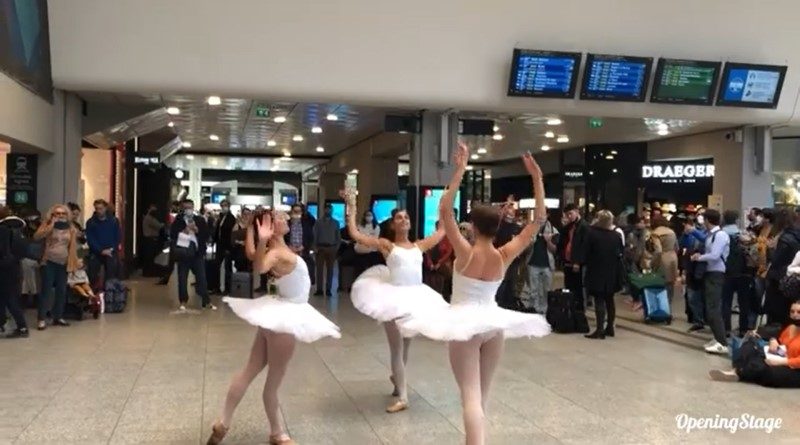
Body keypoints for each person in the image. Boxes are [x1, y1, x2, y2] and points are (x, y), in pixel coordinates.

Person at [398, 144, 550, 445]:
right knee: (482, 396)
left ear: (474, 226)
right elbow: (536, 222)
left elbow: (444, 209)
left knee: (469, 396)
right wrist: (537, 178)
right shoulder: (504, 253)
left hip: (463, 324)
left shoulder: (465, 252)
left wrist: (460, 169)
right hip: (493, 324)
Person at [209, 211, 340, 445]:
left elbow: (251, 255)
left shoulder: (277, 251)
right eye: (280, 217)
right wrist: (260, 238)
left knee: (249, 371)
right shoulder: (277, 253)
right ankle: (277, 433)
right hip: (285, 317)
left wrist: (252, 230)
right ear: (270, 226)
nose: (287, 218)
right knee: (273, 382)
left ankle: (224, 421)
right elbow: (258, 267)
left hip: (275, 314)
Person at [343, 190, 448, 413]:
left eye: (406, 217)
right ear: (392, 224)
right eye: (399, 218)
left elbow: (442, 231)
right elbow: (355, 234)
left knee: (406, 344)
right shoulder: (386, 245)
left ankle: (396, 379)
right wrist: (350, 206)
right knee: (397, 348)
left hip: (416, 296)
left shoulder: (419, 245)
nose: (404, 220)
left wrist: (443, 204)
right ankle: (403, 395)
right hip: (393, 297)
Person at [709, 299, 800, 387]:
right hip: (782, 356)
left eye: (798, 312)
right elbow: (780, 342)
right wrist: (773, 340)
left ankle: (740, 372)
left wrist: (781, 362)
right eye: (792, 312)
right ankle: (739, 371)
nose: (795, 315)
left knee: (769, 372)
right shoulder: (790, 328)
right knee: (750, 347)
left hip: (794, 368)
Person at [691, 209, 731, 355]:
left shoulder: (720, 235)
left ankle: (722, 342)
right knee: (710, 307)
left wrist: (699, 258)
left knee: (714, 308)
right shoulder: (711, 235)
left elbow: (715, 255)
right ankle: (717, 338)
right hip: (710, 273)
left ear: (708, 220)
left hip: (716, 273)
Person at [34, 204, 80, 331]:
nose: (60, 216)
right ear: (52, 215)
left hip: (63, 262)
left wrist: (74, 262)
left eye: (63, 213)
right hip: (48, 261)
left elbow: (73, 246)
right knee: (46, 290)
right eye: (57, 213)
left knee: (61, 290)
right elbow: (37, 236)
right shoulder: (48, 224)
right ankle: (41, 319)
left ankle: (58, 316)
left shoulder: (70, 227)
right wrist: (50, 226)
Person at [583, 210, 625, 339]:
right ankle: (610, 327)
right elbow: (621, 252)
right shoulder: (616, 236)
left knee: (599, 299)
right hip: (612, 272)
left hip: (597, 270)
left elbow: (586, 252)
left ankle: (599, 329)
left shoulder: (592, 234)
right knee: (610, 299)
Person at [170, 199, 215, 312]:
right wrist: (184, 231)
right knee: (182, 278)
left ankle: (206, 301)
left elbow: (206, 235)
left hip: (197, 254)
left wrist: (197, 230)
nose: (188, 210)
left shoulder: (199, 220)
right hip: (183, 254)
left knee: (202, 278)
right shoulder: (178, 220)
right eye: (186, 208)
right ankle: (183, 301)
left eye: (190, 207)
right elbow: (173, 234)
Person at [765, 209, 800, 326]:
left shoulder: (784, 238)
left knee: (777, 314)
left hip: (779, 278)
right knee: (790, 313)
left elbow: (776, 260)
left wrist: (770, 249)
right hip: (793, 280)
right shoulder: (796, 235)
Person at [557, 203, 590, 328]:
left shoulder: (584, 227)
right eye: (567, 215)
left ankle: (580, 314)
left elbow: (584, 246)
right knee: (569, 288)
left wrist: (578, 261)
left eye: (571, 214)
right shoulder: (569, 227)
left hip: (577, 264)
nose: (569, 217)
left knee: (579, 289)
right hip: (568, 262)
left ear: (577, 212)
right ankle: (571, 312)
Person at [0, 208, 29, 338]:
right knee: (8, 297)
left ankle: (22, 327)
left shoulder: (2, 230)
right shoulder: (18, 229)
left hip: (3, 268)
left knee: (9, 299)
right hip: (15, 267)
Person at [523, 213, 558, 314]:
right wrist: (530, 243)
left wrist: (548, 241)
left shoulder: (552, 230)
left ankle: (545, 310)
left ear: (547, 215)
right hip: (532, 263)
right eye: (539, 213)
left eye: (544, 214)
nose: (541, 217)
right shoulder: (530, 229)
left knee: (546, 290)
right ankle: (534, 309)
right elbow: (525, 249)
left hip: (547, 265)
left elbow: (555, 250)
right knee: (533, 290)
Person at [85, 199, 121, 288]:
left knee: (111, 275)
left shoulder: (114, 221)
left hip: (110, 251)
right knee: (92, 275)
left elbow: (117, 236)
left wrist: (112, 249)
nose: (99, 211)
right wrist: (100, 250)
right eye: (97, 209)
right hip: (96, 252)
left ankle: (108, 294)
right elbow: (90, 238)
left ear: (105, 208)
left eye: (101, 208)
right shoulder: (91, 222)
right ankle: (94, 295)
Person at [494, 202, 523, 310]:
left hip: (514, 261)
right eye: (508, 209)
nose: (510, 211)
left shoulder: (517, 227)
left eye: (512, 209)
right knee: (502, 283)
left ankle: (509, 305)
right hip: (501, 259)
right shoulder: (499, 226)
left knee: (512, 284)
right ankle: (498, 305)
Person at [682, 218, 707, 331]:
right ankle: (698, 319)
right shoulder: (691, 235)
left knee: (700, 296)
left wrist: (693, 231)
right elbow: (684, 245)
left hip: (703, 269)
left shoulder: (713, 234)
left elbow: (705, 240)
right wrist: (687, 234)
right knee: (692, 296)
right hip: (692, 268)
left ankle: (702, 319)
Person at [312, 204, 341, 297]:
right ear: (324, 210)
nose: (328, 211)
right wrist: (314, 247)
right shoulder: (318, 222)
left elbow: (338, 236)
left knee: (330, 270)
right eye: (326, 209)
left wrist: (336, 247)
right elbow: (315, 235)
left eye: (330, 209)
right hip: (320, 248)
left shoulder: (336, 223)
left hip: (331, 248)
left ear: (332, 211)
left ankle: (328, 289)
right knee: (319, 270)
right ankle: (319, 289)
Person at [650, 217, 679, 304]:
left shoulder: (655, 233)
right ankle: (669, 308)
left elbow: (658, 250)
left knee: (660, 286)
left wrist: (653, 263)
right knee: (670, 286)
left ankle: (661, 310)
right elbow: (677, 247)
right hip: (673, 258)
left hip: (662, 259)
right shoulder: (672, 232)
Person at [213, 200, 237, 294]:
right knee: (216, 266)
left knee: (227, 267)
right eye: (222, 206)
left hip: (227, 245)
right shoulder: (221, 217)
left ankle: (228, 288)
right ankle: (216, 287)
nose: (224, 207)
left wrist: (229, 247)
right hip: (219, 244)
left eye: (225, 205)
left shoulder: (231, 218)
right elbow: (218, 230)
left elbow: (230, 234)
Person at [285, 204, 315, 281]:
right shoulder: (287, 223)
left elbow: (310, 237)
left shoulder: (306, 223)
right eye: (295, 211)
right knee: (290, 274)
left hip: (303, 251)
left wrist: (304, 246)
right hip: (290, 251)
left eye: (299, 211)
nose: (297, 213)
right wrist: (289, 246)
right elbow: (283, 237)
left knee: (302, 273)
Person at [353, 210, 382, 278]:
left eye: (370, 215)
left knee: (370, 273)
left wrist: (365, 238)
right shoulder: (360, 226)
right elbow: (358, 238)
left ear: (373, 216)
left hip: (371, 253)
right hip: (360, 252)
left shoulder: (376, 227)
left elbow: (374, 239)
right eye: (367, 215)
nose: (368, 217)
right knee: (359, 272)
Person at [141, 204, 164, 276]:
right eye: (153, 210)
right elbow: (159, 226)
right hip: (150, 239)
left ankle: (148, 271)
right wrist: (163, 224)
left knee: (150, 256)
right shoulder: (149, 218)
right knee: (150, 257)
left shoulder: (148, 218)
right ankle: (149, 272)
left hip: (149, 239)